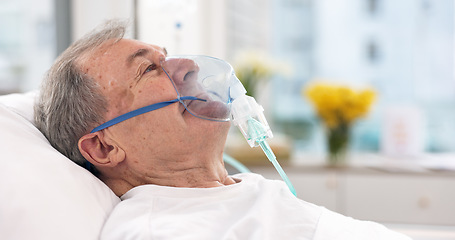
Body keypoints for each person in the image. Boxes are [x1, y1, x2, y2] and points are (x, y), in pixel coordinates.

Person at [34, 20, 411, 240]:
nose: (189, 67)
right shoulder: (158, 230)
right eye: (149, 69)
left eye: (166, 57)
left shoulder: (242, 193)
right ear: (103, 147)